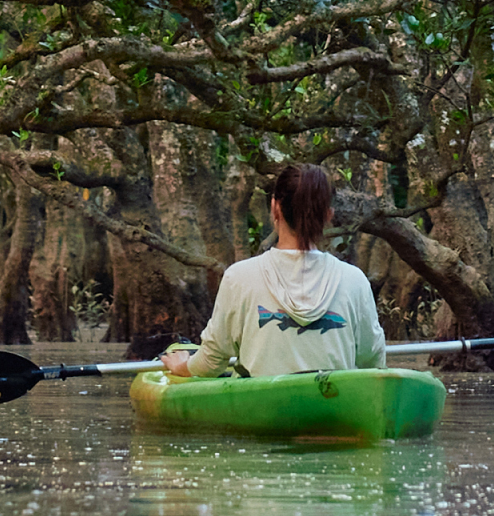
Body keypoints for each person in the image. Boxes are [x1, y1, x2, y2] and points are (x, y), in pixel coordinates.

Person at [159, 161, 387, 380]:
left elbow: (210, 363)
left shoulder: (239, 277)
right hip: (332, 404)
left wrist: (182, 366)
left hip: (261, 405)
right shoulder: (354, 280)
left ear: (275, 207)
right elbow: (373, 362)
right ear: (328, 215)